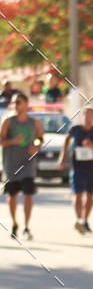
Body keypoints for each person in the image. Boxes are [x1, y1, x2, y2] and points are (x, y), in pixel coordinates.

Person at [0, 93, 43, 240]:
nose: (16, 105)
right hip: (11, 164)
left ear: (26, 104)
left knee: (28, 195)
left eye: (19, 102)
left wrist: (36, 147)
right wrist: (13, 141)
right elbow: (1, 140)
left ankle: (26, 226)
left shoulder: (34, 122)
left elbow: (40, 139)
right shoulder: (8, 121)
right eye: (13, 102)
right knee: (12, 196)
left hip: (28, 164)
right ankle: (14, 223)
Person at [58, 107, 93, 234]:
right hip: (77, 168)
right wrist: (62, 158)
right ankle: (79, 220)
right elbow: (67, 141)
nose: (88, 118)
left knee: (90, 195)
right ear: (82, 117)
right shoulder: (75, 130)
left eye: (91, 116)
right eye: (86, 115)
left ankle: (85, 220)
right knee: (78, 194)